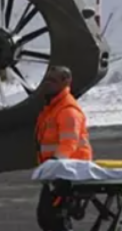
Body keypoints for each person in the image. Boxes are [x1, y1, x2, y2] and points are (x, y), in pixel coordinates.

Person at [35, 66, 92, 231]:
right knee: (47, 218)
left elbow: (69, 143)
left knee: (54, 219)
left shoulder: (67, 111)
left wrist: (56, 163)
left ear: (65, 82)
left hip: (67, 173)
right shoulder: (51, 109)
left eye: (52, 80)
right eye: (46, 79)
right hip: (56, 173)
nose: (47, 84)